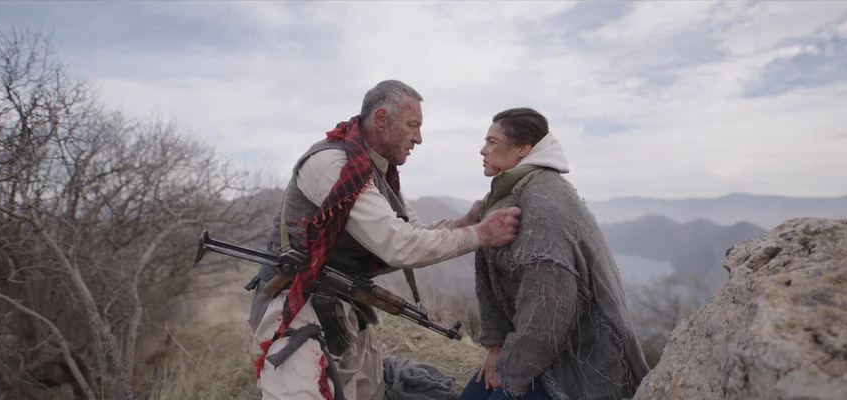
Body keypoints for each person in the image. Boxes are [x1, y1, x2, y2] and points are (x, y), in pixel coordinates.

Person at [248, 80, 523, 400]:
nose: (419, 138)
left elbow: (412, 231)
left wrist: (463, 224)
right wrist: (479, 234)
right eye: (413, 125)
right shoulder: (334, 165)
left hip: (341, 306)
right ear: (381, 119)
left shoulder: (375, 170)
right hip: (297, 309)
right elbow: (398, 245)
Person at [460, 108, 650, 400]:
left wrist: (510, 372)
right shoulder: (502, 196)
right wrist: (496, 348)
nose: (483, 150)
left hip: (582, 361)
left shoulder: (545, 202)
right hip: (533, 349)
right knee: (472, 396)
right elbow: (489, 279)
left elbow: (549, 311)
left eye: (492, 142)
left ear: (523, 149)